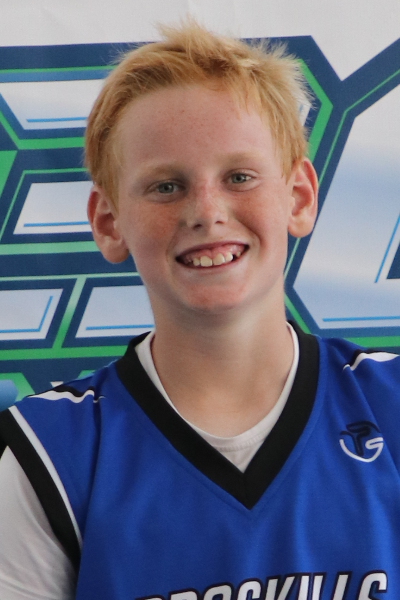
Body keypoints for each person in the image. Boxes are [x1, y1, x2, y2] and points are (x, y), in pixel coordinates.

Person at [0, 21, 399, 600]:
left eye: (239, 177)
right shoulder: (49, 456)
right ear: (109, 223)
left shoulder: (390, 405)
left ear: (298, 197)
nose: (207, 212)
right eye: (166, 186)